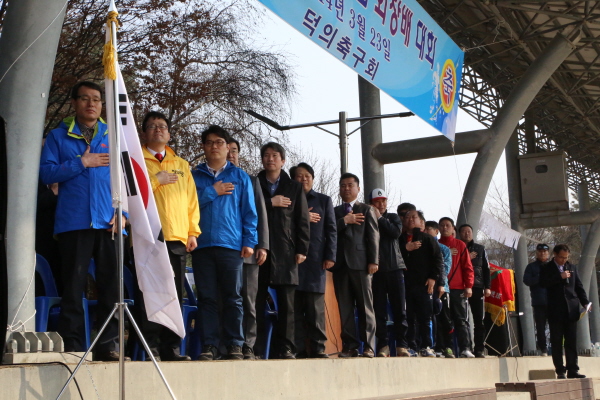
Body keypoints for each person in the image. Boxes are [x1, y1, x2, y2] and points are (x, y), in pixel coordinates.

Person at [39, 81, 126, 361]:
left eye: (97, 100)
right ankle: (74, 344)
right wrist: (82, 163)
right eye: (85, 99)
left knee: (111, 286)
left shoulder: (114, 136)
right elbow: (46, 174)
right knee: (73, 286)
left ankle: (108, 344)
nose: (91, 104)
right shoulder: (58, 136)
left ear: (103, 105)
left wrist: (122, 214)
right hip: (73, 223)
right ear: (74, 103)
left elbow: (126, 180)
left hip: (108, 222)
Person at [192, 125, 258, 361]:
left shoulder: (240, 176)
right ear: (203, 147)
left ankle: (235, 344)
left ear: (228, 147)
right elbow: (188, 206)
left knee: (233, 297)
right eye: (209, 142)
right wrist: (213, 191)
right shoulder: (194, 175)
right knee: (207, 297)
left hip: (231, 244)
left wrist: (250, 241)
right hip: (202, 244)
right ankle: (210, 344)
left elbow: (249, 212)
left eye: (219, 142)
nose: (214, 147)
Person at [139, 111, 200, 361]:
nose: (158, 130)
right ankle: (149, 347)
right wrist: (156, 179)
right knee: (150, 294)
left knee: (174, 294)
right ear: (144, 133)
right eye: (152, 126)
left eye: (162, 126)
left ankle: (171, 348)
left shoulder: (182, 164)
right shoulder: (136, 159)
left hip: (176, 237)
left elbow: (191, 201)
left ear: (170, 133)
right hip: (147, 237)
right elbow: (133, 193)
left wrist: (192, 231)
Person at [255, 142, 310, 359]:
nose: (270, 159)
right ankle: (256, 349)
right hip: (260, 249)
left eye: (275, 155)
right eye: (266, 155)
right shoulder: (254, 183)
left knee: (288, 306)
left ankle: (286, 348)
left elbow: (302, 220)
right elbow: (251, 212)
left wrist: (302, 248)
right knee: (256, 302)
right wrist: (270, 202)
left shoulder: (294, 187)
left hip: (287, 252)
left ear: (283, 160)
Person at [227, 138, 269, 360]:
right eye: (228, 150)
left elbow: (260, 214)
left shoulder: (250, 180)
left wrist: (262, 245)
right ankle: (231, 344)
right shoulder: (218, 180)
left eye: (235, 151)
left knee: (249, 301)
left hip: (250, 253)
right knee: (229, 299)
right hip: (227, 250)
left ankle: (249, 345)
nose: (231, 154)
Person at [289, 163, 336, 358]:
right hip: (293, 260)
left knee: (316, 308)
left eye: (307, 175)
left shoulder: (324, 200)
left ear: (313, 178)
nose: (304, 179)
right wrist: (301, 216)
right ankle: (299, 348)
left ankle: (318, 348)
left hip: (316, 260)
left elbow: (331, 230)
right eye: (299, 176)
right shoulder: (289, 200)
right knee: (296, 307)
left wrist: (330, 256)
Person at [331, 173, 379, 358]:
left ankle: (368, 346)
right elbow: (329, 231)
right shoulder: (335, 212)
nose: (346, 188)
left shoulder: (367, 209)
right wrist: (345, 221)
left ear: (358, 189)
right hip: (340, 264)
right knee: (345, 307)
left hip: (361, 264)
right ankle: (350, 346)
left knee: (365, 306)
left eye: (350, 185)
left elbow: (373, 236)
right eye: (343, 185)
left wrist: (374, 260)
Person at [369, 188, 409, 357]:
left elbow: (394, 233)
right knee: (379, 310)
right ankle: (383, 345)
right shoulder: (367, 218)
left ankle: (402, 345)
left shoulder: (392, 218)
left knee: (399, 309)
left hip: (395, 268)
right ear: (372, 203)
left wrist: (379, 217)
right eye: (378, 201)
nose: (382, 204)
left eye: (384, 201)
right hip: (376, 270)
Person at [540, 244, 589, 379]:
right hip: (556, 309)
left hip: (571, 309)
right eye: (561, 257)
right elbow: (543, 283)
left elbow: (578, 287)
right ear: (555, 255)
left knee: (571, 341)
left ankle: (573, 369)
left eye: (566, 257)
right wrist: (559, 277)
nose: (563, 260)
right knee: (556, 341)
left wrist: (585, 302)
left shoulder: (572, 267)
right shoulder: (547, 268)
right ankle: (560, 370)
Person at [399, 210, 443, 357]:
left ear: (420, 221)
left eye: (414, 217)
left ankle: (427, 346)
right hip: (405, 284)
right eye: (407, 217)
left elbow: (438, 260)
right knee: (409, 317)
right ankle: (411, 346)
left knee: (425, 317)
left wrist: (433, 278)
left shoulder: (427, 239)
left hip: (425, 285)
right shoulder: (399, 240)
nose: (411, 219)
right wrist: (406, 249)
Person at [438, 217, 475, 358]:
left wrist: (468, 286)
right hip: (442, 288)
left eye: (447, 225)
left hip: (458, 288)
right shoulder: (436, 244)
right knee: (443, 320)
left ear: (453, 228)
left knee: (461, 319)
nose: (445, 228)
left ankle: (465, 348)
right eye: (442, 225)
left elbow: (467, 267)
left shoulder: (460, 245)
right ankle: (446, 349)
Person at [458, 224, 491, 358]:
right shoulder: (457, 247)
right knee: (463, 318)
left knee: (479, 319)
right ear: (459, 233)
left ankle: (479, 348)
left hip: (477, 287)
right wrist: (466, 257)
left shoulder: (480, 249)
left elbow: (486, 269)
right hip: (460, 286)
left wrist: (487, 287)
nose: (467, 234)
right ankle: (466, 347)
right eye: (464, 231)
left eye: (469, 231)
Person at [425, 220, 455, 358]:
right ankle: (436, 346)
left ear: (436, 231)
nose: (426, 232)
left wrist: (440, 283)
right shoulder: (421, 247)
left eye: (429, 229)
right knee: (430, 319)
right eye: (424, 229)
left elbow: (445, 268)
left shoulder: (443, 249)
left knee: (445, 319)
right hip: (426, 288)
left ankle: (448, 347)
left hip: (442, 288)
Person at [523, 243, 551, 356]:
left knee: (556, 325)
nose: (542, 253)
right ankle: (543, 348)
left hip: (553, 301)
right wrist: (540, 277)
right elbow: (527, 281)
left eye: (545, 251)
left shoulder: (552, 266)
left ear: (548, 253)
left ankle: (557, 347)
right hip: (538, 301)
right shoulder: (531, 267)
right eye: (540, 251)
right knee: (540, 326)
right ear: (537, 253)